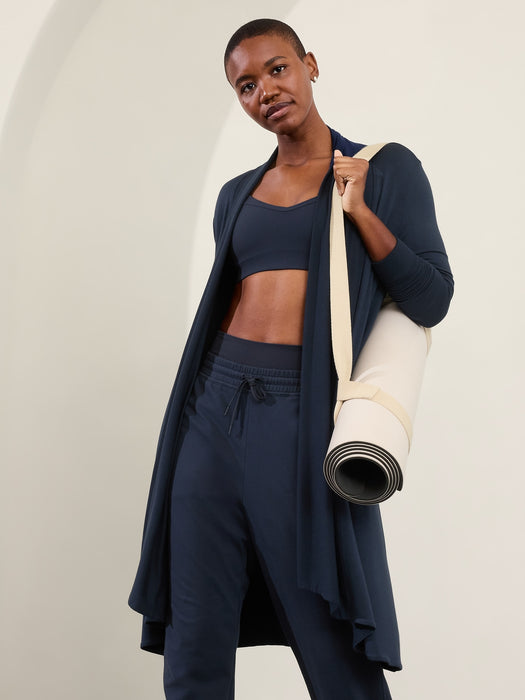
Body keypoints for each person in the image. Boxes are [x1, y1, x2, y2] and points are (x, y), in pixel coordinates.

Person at [129, 18, 454, 700]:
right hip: (211, 408)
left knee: (329, 632)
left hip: (300, 413)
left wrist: (359, 211)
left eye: (276, 69)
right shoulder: (236, 194)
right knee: (194, 635)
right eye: (246, 85)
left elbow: (431, 298)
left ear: (309, 64)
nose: (265, 91)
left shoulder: (383, 167)